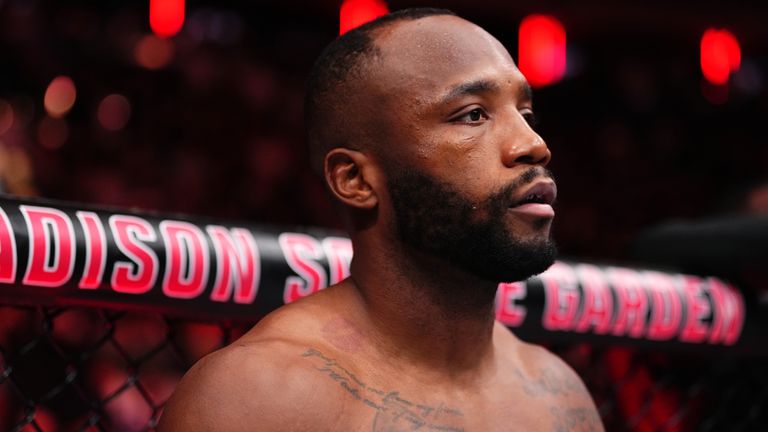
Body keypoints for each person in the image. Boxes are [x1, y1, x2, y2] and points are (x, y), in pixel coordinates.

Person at [159, 8, 603, 431]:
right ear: (355, 180)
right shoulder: (260, 397)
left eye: (525, 114)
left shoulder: (559, 397)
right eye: (473, 115)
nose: (534, 145)